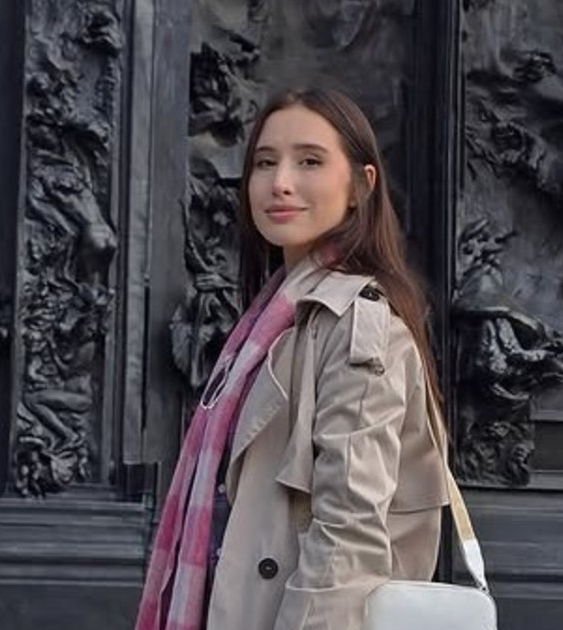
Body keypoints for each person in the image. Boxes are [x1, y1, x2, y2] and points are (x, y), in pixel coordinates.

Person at [135, 87, 449, 630]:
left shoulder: (355, 325)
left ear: (360, 186)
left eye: (309, 161)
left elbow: (347, 537)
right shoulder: (270, 324)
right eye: (264, 162)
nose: (280, 182)